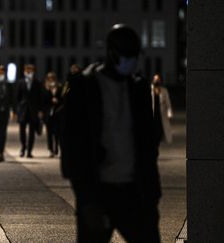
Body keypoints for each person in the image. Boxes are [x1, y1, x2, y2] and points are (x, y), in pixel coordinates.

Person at [61, 24, 161, 242]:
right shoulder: (84, 86)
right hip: (98, 192)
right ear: (112, 53)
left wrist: (152, 196)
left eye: (134, 56)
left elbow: (148, 142)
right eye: (127, 55)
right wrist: (86, 200)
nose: (131, 61)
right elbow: (71, 146)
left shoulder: (138, 88)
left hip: (135, 193)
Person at [14, 64, 44, 158]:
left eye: (30, 70)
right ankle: (23, 147)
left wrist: (40, 110)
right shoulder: (21, 82)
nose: (28, 71)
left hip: (33, 110)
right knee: (22, 131)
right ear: (24, 71)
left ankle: (29, 151)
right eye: (27, 70)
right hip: (23, 110)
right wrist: (16, 110)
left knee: (32, 132)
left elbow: (40, 97)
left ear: (33, 71)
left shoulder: (37, 82)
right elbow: (17, 97)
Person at [43, 72, 63, 158]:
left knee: (57, 132)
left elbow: (63, 98)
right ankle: (50, 150)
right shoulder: (45, 88)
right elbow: (43, 100)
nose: (51, 80)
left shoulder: (59, 87)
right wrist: (51, 100)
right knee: (49, 133)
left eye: (52, 78)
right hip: (48, 113)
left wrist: (57, 100)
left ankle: (56, 148)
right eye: (49, 78)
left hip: (57, 112)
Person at [151, 73, 173, 146]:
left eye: (158, 79)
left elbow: (168, 102)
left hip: (161, 112)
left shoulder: (164, 90)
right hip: (152, 112)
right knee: (153, 126)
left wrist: (169, 113)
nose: (156, 80)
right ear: (153, 80)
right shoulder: (150, 89)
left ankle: (160, 138)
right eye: (155, 79)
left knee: (161, 126)